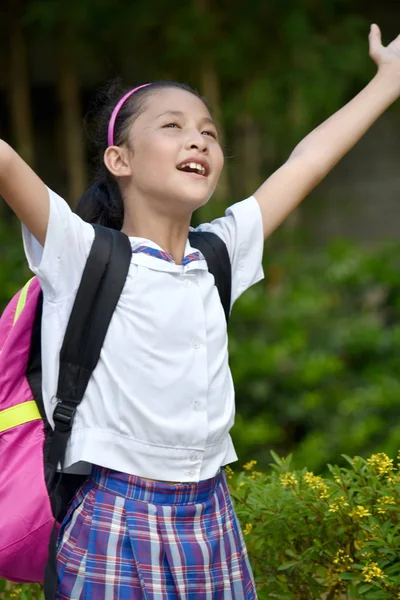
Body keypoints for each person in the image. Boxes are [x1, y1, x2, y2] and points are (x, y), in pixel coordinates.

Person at [1, 24, 399, 600]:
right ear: (120, 158)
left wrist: (387, 80)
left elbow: (307, 161)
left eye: (209, 132)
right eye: (173, 126)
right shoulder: (81, 252)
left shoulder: (219, 253)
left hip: (210, 510)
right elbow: (10, 165)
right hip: (115, 509)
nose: (199, 140)